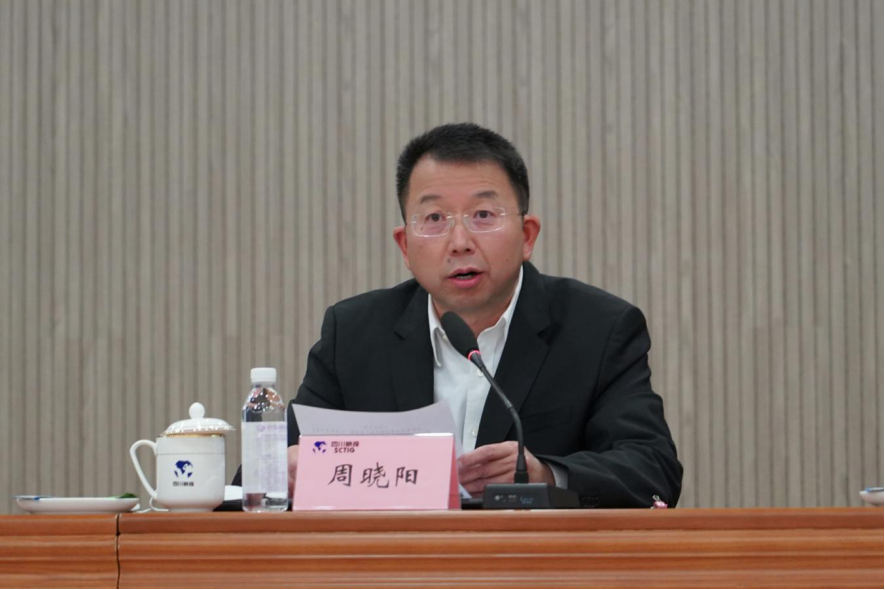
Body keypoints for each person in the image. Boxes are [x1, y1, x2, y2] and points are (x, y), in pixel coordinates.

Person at [236, 123, 682, 508]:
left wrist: (545, 474)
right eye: (434, 218)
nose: (460, 241)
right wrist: (282, 470)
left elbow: (652, 469)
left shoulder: (599, 328)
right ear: (405, 246)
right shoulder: (354, 333)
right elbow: (251, 481)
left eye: (483, 215)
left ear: (527, 236)